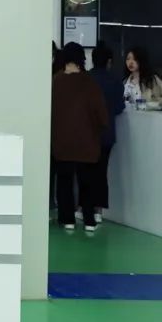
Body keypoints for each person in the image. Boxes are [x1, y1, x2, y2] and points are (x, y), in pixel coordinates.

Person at [52, 42, 108, 233]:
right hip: (87, 143)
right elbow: (101, 114)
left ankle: (67, 219)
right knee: (87, 183)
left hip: (62, 143)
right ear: (81, 59)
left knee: (64, 181)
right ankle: (89, 220)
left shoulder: (55, 82)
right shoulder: (90, 83)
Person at [88, 43, 125, 223]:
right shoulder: (116, 81)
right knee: (101, 172)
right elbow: (119, 107)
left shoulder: (86, 79)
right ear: (109, 62)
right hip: (107, 134)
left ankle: (84, 208)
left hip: (86, 133)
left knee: (85, 172)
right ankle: (98, 210)